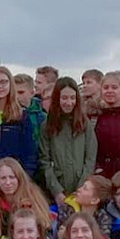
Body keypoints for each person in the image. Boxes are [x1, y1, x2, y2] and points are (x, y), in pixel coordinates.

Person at [39, 77, 97, 207]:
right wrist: (56, 191)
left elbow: (90, 158)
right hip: (58, 188)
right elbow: (45, 161)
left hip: (81, 188)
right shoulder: (47, 126)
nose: (69, 102)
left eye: (72, 98)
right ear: (57, 99)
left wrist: (81, 187)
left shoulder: (84, 124)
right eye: (64, 98)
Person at [0, 66, 38, 177]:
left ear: (10, 85)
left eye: (3, 82)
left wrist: (25, 177)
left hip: (14, 180)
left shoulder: (21, 117)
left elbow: (30, 153)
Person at [56, 174, 113, 239]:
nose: (78, 189)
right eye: (82, 186)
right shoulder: (67, 209)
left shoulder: (103, 217)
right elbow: (62, 236)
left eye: (85, 189)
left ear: (94, 200)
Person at [14, 73, 47, 146]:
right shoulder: (7, 115)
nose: (16, 97)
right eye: (13, 92)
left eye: (21, 92)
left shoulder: (43, 118)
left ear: (32, 93)